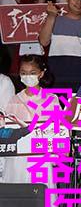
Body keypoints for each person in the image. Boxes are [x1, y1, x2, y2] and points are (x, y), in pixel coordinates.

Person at [0, 55, 67, 184]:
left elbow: (58, 128)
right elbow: (7, 130)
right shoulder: (14, 100)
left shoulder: (51, 99)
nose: (27, 76)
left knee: (40, 192)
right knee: (17, 191)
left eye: (32, 73)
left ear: (41, 74)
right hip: (17, 160)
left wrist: (59, 151)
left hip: (41, 156)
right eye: (23, 73)